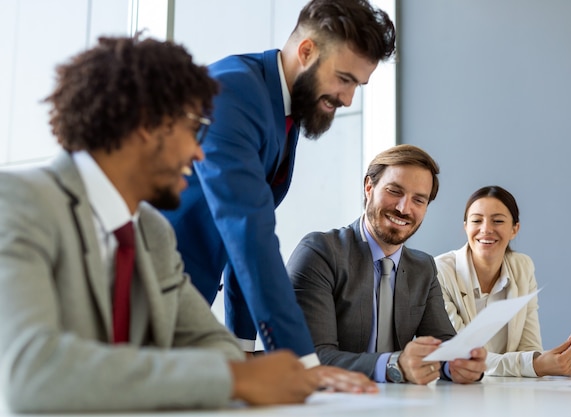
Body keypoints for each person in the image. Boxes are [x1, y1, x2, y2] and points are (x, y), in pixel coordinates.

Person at [0, 35, 375, 413]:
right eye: (194, 127)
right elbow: (34, 374)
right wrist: (234, 379)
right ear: (149, 124)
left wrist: (240, 370)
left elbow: (215, 345)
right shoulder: (17, 202)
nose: (200, 151)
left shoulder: (153, 233)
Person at [162, 0, 396, 365]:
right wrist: (303, 364)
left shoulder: (285, 106)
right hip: (140, 292)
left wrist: (243, 347)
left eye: (358, 86)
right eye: (344, 79)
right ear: (307, 51)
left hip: (179, 303)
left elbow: (242, 238)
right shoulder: (232, 93)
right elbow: (249, 233)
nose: (348, 99)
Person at [286, 145, 487, 384]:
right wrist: (394, 365)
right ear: (369, 187)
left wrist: (458, 364)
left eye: (418, 200)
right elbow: (310, 359)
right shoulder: (319, 253)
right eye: (394, 191)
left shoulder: (423, 268)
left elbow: (443, 347)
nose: (404, 208)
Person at [435, 185, 571, 378]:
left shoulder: (522, 267)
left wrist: (560, 362)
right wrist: (538, 365)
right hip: (460, 393)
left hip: (509, 392)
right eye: (476, 220)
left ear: (515, 229)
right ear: (466, 227)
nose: (486, 229)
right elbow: (463, 357)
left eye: (498, 221)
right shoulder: (440, 271)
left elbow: (529, 347)